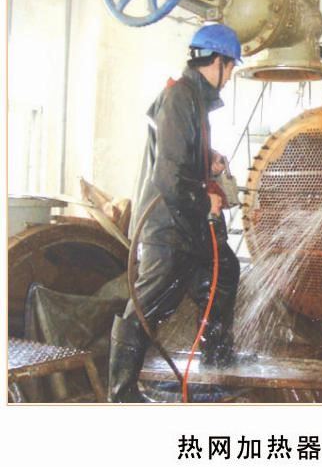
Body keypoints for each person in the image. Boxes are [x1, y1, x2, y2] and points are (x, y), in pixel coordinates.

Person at [108, 24, 243, 403]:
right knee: (146, 307)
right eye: (231, 67)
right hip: (168, 226)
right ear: (216, 61)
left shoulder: (194, 100)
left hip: (187, 225)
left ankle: (216, 361)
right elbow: (167, 175)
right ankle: (120, 393)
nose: (230, 76)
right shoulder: (179, 97)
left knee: (223, 273)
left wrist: (208, 159)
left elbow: (181, 153)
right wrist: (205, 201)